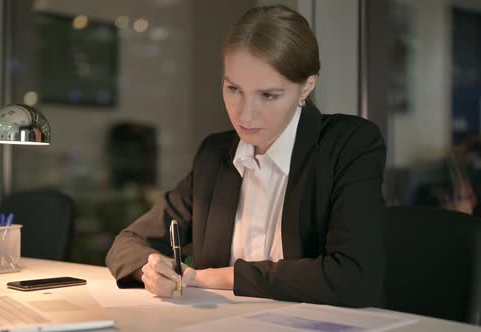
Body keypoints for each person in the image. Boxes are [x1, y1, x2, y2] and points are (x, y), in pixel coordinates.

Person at [106, 5, 386, 308]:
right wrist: (152, 268)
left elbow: (353, 279)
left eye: (268, 95)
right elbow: (127, 243)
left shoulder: (349, 143)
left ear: (307, 85)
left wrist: (212, 278)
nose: (244, 114)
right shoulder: (214, 155)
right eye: (233, 89)